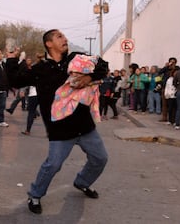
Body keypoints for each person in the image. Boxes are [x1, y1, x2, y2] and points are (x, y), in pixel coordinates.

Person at [6, 29, 108, 215]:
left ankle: (82, 182)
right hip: (60, 130)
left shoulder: (77, 59)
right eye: (59, 36)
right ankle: (35, 195)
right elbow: (14, 80)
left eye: (65, 36)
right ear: (49, 44)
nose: (65, 39)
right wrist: (12, 59)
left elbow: (102, 65)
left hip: (85, 126)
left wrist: (89, 77)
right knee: (53, 165)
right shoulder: (41, 70)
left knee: (100, 158)